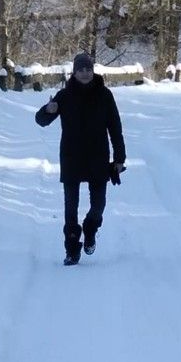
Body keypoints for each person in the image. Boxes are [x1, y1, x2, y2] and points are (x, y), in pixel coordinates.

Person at [35, 52, 126, 265]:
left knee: (98, 205)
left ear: (93, 71)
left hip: (98, 157)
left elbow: (115, 128)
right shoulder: (64, 95)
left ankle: (90, 228)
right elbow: (41, 120)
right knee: (70, 208)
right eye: (80, 70)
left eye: (88, 69)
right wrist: (48, 110)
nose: (85, 73)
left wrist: (120, 157)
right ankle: (72, 248)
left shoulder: (105, 95)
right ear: (74, 72)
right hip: (71, 157)